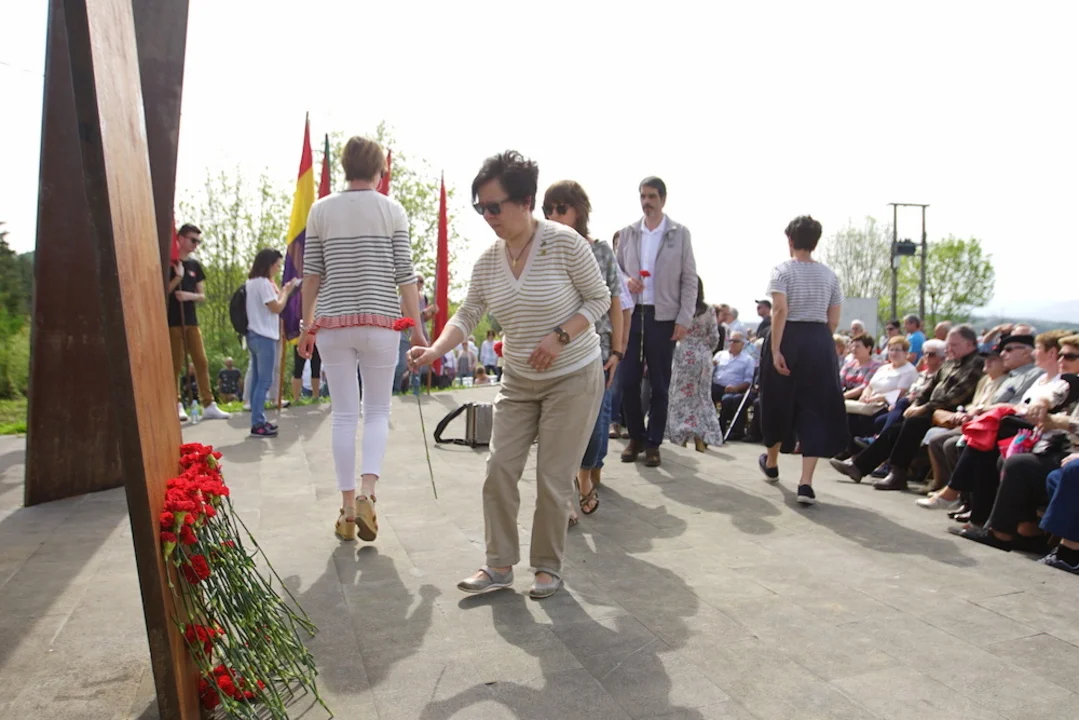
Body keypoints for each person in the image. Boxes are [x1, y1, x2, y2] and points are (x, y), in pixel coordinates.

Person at [408, 150, 609, 599]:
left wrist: (560, 336)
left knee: (552, 477)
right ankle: (498, 564)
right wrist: (434, 350)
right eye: (480, 207)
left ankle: (547, 567)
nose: (488, 216)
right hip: (518, 381)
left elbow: (599, 299)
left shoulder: (564, 243)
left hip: (573, 376)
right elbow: (468, 314)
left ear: (526, 201)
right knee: (498, 468)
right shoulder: (488, 261)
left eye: (494, 206)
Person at [297, 135, 426, 543]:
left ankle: (348, 511)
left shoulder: (321, 210)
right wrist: (419, 331)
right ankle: (369, 492)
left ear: (344, 168)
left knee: (343, 415)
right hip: (381, 322)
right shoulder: (392, 210)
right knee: (377, 412)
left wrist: (306, 327)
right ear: (379, 171)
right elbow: (405, 275)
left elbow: (312, 276)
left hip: (333, 325)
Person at [542, 180, 623, 521]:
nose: (554, 215)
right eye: (548, 210)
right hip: (556, 348)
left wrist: (618, 351)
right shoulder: (542, 249)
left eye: (561, 208)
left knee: (596, 422)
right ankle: (563, 496)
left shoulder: (600, 250)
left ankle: (585, 476)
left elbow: (616, 300)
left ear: (579, 210)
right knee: (560, 425)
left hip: (597, 347)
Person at [757, 216, 846, 505]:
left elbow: (780, 310)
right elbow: (834, 319)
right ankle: (806, 483)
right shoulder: (830, 275)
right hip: (819, 339)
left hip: (788, 336)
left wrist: (776, 349)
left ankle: (772, 462)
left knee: (776, 401)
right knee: (814, 408)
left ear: (790, 240)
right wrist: (820, 342)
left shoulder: (782, 271)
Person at [616, 177, 697, 468]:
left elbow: (689, 279)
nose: (646, 202)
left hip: (663, 316)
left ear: (663, 199)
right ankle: (635, 436)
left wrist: (684, 317)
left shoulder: (679, 233)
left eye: (651, 196)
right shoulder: (628, 233)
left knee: (660, 384)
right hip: (631, 313)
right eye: (643, 196)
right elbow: (615, 271)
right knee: (627, 381)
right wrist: (627, 280)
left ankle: (653, 443)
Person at [167, 223, 230, 422]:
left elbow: (202, 296)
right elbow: (162, 292)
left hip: (191, 321)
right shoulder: (169, 264)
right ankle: (177, 404)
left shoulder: (195, 266)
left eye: (198, 242)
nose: (196, 245)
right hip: (173, 321)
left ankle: (208, 404)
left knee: (201, 361)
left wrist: (189, 295)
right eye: (193, 240)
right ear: (180, 238)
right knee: (176, 364)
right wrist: (177, 278)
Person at [245, 249, 300, 437]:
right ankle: (258, 422)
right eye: (277, 265)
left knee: (257, 381)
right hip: (265, 335)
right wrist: (287, 292)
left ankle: (257, 419)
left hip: (253, 333)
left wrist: (282, 290)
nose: (278, 268)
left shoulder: (251, 283)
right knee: (265, 381)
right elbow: (276, 307)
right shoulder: (263, 283)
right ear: (269, 265)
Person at [667, 276, 724, 451]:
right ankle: (701, 436)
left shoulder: (679, 308)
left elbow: (671, 333)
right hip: (703, 356)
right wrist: (704, 349)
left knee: (680, 397)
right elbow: (715, 337)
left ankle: (681, 435)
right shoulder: (709, 310)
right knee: (702, 396)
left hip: (684, 353)